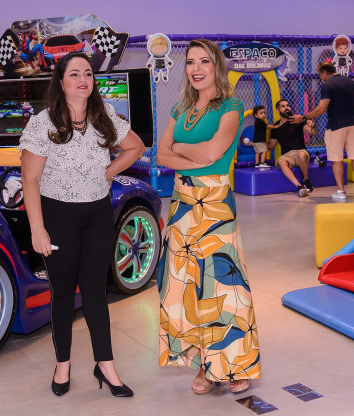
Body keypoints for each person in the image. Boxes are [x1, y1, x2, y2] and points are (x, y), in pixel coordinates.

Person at [19, 52, 145, 398]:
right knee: (62, 293)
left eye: (88, 73)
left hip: (98, 214)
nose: (82, 80)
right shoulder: (43, 123)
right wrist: (37, 229)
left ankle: (106, 365)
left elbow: (135, 147)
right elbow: (30, 180)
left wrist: (107, 172)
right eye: (74, 74)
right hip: (57, 215)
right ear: (61, 82)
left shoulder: (105, 118)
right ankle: (63, 364)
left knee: (94, 290)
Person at [156, 39, 261, 396]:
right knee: (186, 285)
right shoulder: (180, 108)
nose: (196, 69)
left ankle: (234, 365)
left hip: (215, 203)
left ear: (217, 66)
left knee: (223, 286)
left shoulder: (232, 106)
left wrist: (179, 148)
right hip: (181, 205)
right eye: (190, 62)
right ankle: (205, 364)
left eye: (204, 61)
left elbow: (214, 153)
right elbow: (160, 156)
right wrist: (192, 155)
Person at [291, 61, 354, 200]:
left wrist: (304, 117)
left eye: (320, 74)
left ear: (325, 72)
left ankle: (341, 191)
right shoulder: (349, 81)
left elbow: (321, 108)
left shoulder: (327, 85)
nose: (320, 77)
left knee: (337, 159)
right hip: (353, 123)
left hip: (336, 125)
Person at [268, 99, 317, 197]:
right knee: (281, 162)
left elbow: (313, 132)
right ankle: (300, 187)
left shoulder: (297, 120)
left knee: (302, 154)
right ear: (278, 111)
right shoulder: (275, 126)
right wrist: (256, 144)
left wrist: (313, 126)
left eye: (287, 105)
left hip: (300, 151)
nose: (286, 108)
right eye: (283, 106)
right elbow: (271, 145)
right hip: (287, 156)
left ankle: (305, 180)